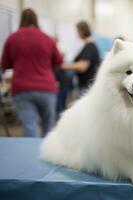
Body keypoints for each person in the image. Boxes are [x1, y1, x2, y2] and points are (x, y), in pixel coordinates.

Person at [0, 8, 63, 137]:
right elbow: (59, 61)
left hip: (22, 89)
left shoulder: (13, 38)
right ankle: (48, 155)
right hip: (47, 88)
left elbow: (5, 64)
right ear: (36, 20)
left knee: (29, 125)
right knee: (48, 126)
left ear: (21, 20)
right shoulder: (47, 38)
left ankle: (31, 156)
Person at [63, 21, 100, 94]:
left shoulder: (90, 47)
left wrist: (63, 65)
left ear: (81, 31)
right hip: (86, 85)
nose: (77, 34)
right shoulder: (89, 46)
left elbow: (82, 67)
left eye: (77, 31)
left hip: (86, 86)